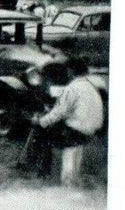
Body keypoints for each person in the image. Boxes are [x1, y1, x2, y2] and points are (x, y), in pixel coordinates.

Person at [22, 57, 106, 186]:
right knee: (59, 131)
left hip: (75, 132)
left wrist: (39, 122)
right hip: (91, 130)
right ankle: (63, 176)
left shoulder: (72, 88)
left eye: (68, 70)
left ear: (71, 71)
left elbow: (57, 113)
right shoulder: (90, 85)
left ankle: (42, 172)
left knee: (42, 132)